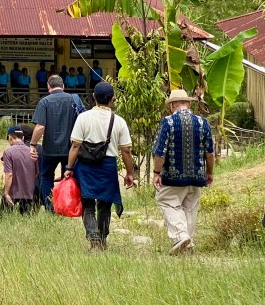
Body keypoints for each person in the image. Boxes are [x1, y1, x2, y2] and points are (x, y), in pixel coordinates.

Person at [64, 82, 136, 252]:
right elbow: (126, 150)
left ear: (94, 97)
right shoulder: (118, 121)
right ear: (113, 99)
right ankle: (101, 240)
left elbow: (75, 146)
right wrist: (130, 173)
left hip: (85, 167)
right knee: (104, 205)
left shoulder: (83, 117)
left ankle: (94, 238)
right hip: (107, 167)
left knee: (87, 204)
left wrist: (69, 167)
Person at [152, 88, 215, 255]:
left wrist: (156, 172)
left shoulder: (168, 122)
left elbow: (160, 151)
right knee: (189, 208)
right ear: (188, 104)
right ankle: (187, 244)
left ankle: (181, 237)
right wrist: (210, 173)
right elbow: (210, 153)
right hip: (196, 176)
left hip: (173, 177)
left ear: (172, 105)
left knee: (167, 201)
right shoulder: (203, 123)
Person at [30, 73, 81, 211]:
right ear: (63, 86)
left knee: (46, 176)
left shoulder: (44, 102)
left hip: (50, 148)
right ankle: (67, 206)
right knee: (68, 177)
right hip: (70, 148)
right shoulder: (73, 100)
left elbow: (40, 126)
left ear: (48, 87)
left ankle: (50, 207)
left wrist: (33, 145)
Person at [0, 126, 38, 215]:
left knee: (4, 219)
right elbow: (35, 173)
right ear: (23, 138)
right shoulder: (32, 152)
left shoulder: (8, 152)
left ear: (10, 137)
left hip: (12, 191)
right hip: (28, 192)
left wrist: (6, 193)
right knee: (25, 221)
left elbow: (9, 174)